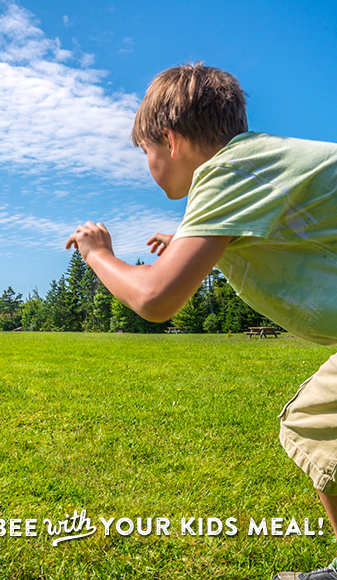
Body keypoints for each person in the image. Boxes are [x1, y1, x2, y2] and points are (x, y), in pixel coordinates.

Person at [66, 62, 337, 580]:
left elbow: (155, 299)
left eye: (145, 152)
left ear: (169, 140)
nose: (147, 165)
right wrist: (192, 241)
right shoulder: (253, 167)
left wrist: (97, 253)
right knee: (317, 421)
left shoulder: (228, 171)